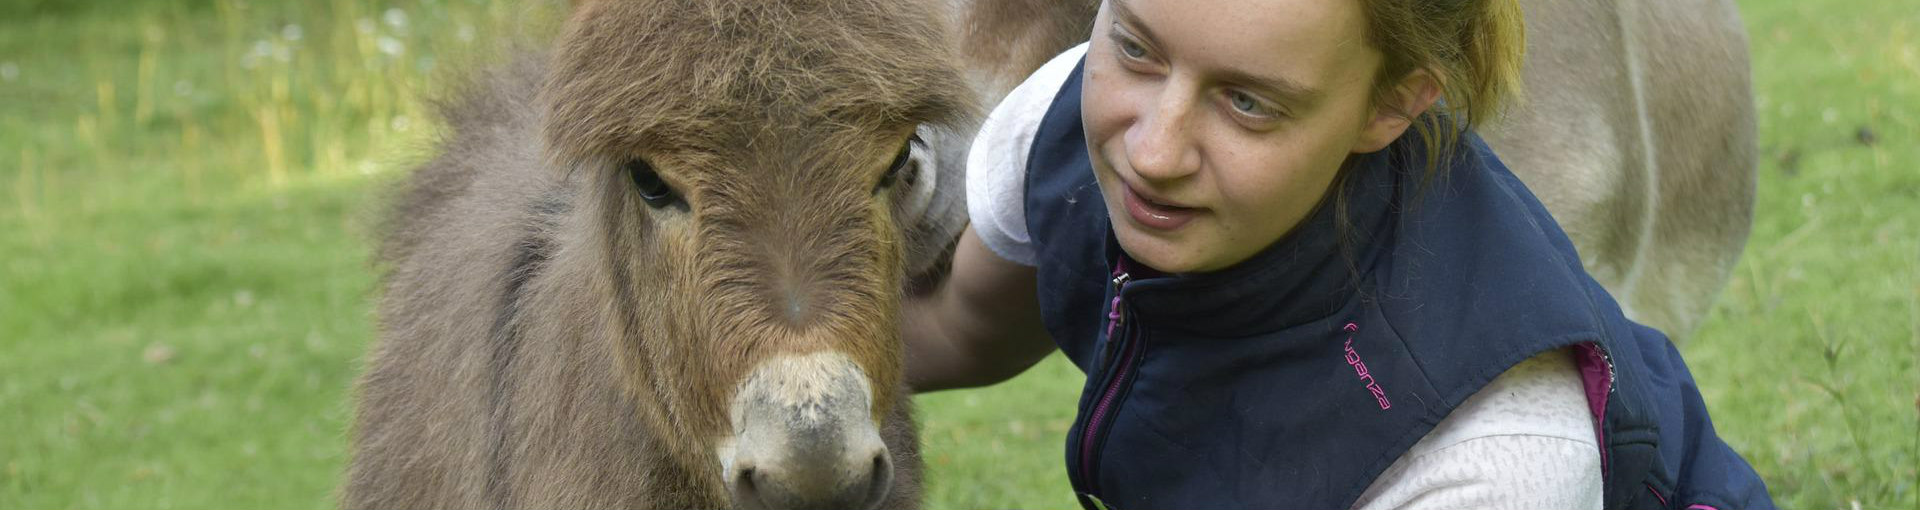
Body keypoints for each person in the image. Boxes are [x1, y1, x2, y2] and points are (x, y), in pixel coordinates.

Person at [901, 0, 1775, 508]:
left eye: (1248, 103)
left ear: (1392, 107)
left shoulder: (1493, 454)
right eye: (1135, 46)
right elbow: (959, 326)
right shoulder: (1065, 117)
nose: (1153, 152)